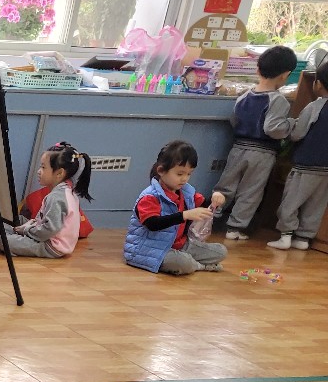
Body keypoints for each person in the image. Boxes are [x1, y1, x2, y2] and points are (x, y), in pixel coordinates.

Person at [217, 44, 297, 241]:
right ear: (285, 75)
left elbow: (234, 120)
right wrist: (290, 124)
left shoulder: (245, 95)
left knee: (226, 185)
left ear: (258, 69)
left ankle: (211, 215)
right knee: (250, 191)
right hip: (262, 153)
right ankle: (235, 227)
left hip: (238, 147)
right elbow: (273, 128)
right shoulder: (278, 100)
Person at [123, 139, 227, 275]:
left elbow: (204, 205)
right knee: (183, 263)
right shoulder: (150, 196)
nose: (184, 179)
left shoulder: (186, 191)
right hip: (148, 248)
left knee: (221, 251)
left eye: (189, 174)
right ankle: (200, 266)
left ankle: (191, 261)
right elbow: (152, 224)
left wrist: (216, 199)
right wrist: (185, 215)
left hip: (179, 245)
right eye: (179, 174)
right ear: (161, 171)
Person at [0, 141, 92, 258]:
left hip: (50, 246)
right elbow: (44, 222)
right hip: (43, 234)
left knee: (7, 242)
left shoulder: (57, 198)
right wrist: (28, 226)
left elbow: (48, 230)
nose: (39, 171)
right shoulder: (65, 190)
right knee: (13, 218)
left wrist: (25, 230)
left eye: (43, 167)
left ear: (59, 173)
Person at [271, 60, 328, 250]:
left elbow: (298, 133)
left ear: (318, 84)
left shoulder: (314, 107)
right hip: (326, 170)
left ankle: (286, 235)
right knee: (316, 204)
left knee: (291, 200)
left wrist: (290, 125)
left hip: (306, 165)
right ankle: (304, 238)